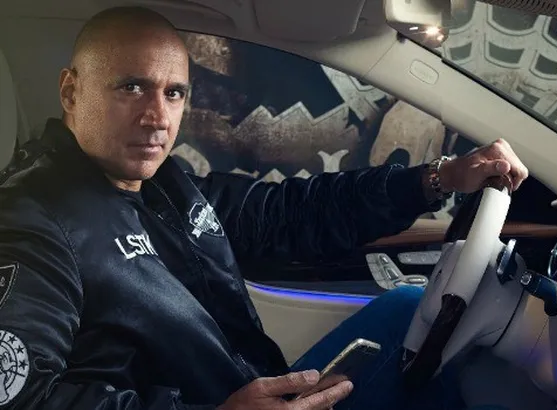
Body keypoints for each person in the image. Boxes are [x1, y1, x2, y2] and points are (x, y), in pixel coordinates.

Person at [0, 6, 528, 410]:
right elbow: (24, 396)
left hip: (256, 390)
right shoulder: (30, 223)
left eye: (174, 93)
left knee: (411, 306)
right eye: (132, 87)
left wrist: (439, 178)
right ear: (71, 92)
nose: (157, 117)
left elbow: (289, 212)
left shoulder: (164, 184)